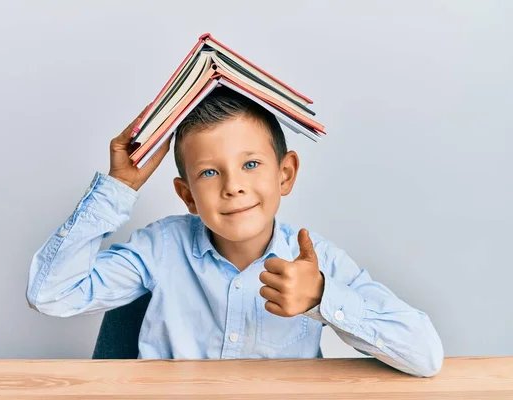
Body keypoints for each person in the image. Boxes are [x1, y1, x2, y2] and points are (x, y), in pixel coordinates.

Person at [26, 87, 443, 377]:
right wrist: (120, 188)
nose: (233, 186)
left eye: (251, 164)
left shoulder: (317, 263)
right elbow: (50, 294)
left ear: (286, 174)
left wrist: (321, 295)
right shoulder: (160, 249)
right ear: (187, 196)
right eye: (210, 172)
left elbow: (425, 355)